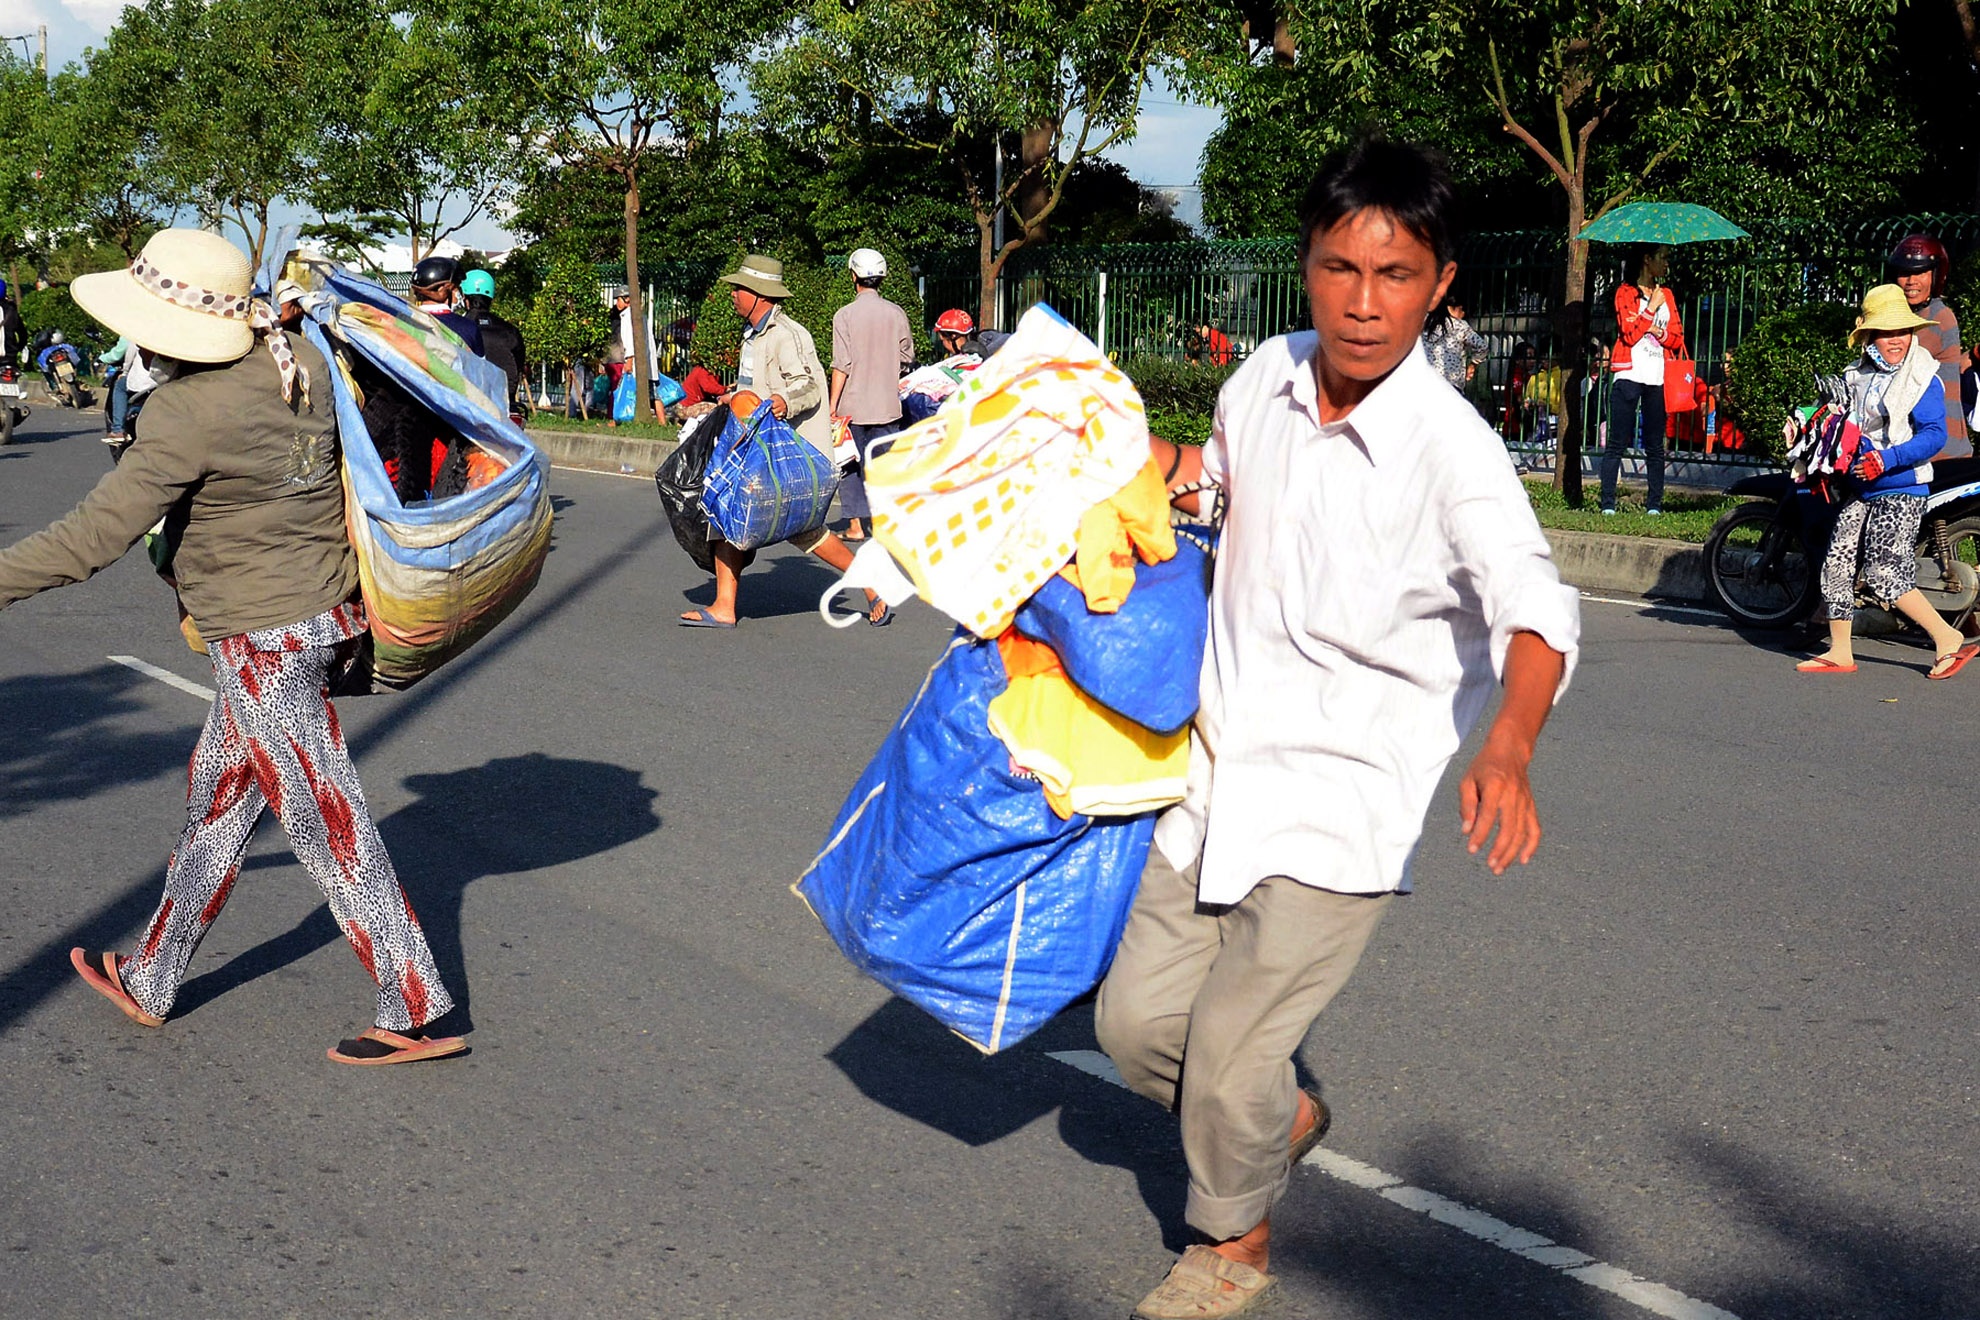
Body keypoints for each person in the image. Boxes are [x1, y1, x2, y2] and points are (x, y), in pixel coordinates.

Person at [1094, 139, 1579, 1320]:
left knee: (1233, 1054)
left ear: (1441, 283)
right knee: (1136, 1025)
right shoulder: (1260, 375)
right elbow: (1215, 485)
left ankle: (1232, 1250)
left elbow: (1539, 611)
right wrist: (1114, 457)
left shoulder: (1450, 448)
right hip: (1211, 773)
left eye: (1397, 274)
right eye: (1339, 269)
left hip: (1344, 799)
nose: (1366, 303)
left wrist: (1507, 744)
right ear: (1302, 270)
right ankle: (1286, 1122)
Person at [0, 228, 464, 1064]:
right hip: (321, 616)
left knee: (328, 819)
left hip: (261, 641)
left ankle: (416, 1003)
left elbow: (90, 538)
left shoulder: (185, 411)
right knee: (218, 802)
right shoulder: (301, 359)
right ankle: (152, 973)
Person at [679, 254, 888, 629]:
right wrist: (730, 400)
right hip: (759, 449)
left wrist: (782, 401)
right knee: (733, 516)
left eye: (738, 288)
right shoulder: (754, 336)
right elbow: (752, 389)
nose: (733, 294)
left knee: (793, 529)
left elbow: (807, 385)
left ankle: (871, 584)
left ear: (759, 294)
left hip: (791, 453)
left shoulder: (787, 335)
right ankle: (725, 606)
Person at [1796, 284, 1978, 680]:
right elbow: (1847, 428)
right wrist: (1810, 431)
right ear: (1869, 337)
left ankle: (1947, 639)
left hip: (1903, 486)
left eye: (1901, 332)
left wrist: (1885, 460)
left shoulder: (1922, 375)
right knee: (1837, 562)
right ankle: (1840, 650)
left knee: (1883, 573)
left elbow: (1934, 436)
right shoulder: (1857, 376)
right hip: (1862, 487)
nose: (1895, 341)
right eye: (1885, 332)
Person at [829, 248, 913, 542]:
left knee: (850, 467)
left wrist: (832, 406)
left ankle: (854, 526)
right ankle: (881, 524)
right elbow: (906, 357)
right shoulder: (896, 313)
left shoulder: (844, 316)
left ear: (853, 276)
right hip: (887, 405)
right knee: (882, 466)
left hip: (852, 406)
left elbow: (842, 364)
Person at [1600, 244, 1680, 515]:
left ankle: (1654, 505)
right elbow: (1629, 333)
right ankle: (1608, 503)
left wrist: (1660, 332)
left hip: (1656, 378)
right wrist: (1650, 310)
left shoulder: (1666, 294)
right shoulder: (1625, 293)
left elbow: (1677, 337)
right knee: (1617, 442)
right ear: (1647, 260)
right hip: (1629, 374)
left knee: (1655, 445)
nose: (1666, 264)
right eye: (1663, 258)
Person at [1886, 234, 1967, 457]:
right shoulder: (1908, 318)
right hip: (1919, 442)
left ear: (1936, 276)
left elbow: (1893, 362)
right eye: (1904, 273)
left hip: (1941, 448)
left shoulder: (1938, 317)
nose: (1911, 281)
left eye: (1920, 272)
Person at [460, 268, 526, 413]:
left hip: (470, 403)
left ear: (465, 297)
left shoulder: (458, 327)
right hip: (505, 403)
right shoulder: (510, 330)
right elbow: (519, 363)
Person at [408, 253, 483, 355]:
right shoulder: (468, 328)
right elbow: (481, 369)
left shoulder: (404, 320)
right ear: (444, 290)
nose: (460, 293)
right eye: (457, 287)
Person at [1420, 291, 1486, 393]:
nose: (1463, 315)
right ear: (1455, 308)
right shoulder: (1460, 326)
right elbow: (1482, 346)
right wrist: (1473, 364)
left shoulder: (1423, 323)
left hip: (1425, 384)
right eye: (1462, 310)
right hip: (1451, 385)